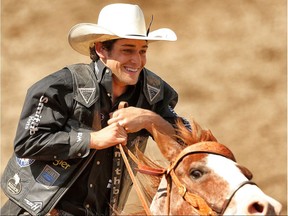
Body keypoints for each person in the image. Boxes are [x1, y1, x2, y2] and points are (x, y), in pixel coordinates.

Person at [1, 3, 191, 216]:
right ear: (101, 49)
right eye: (127, 50)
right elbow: (27, 142)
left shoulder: (153, 93)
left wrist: (150, 119)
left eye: (142, 50)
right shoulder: (60, 86)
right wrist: (93, 140)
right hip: (41, 211)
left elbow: (190, 143)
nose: (137, 61)